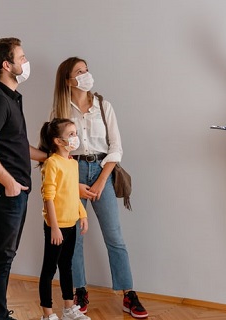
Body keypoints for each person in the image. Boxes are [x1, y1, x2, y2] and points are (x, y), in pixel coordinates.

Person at [49, 57, 148, 319]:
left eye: (86, 70)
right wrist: (73, 184)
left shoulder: (103, 106)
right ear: (68, 80)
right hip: (73, 173)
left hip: (102, 170)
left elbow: (116, 148)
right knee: (75, 239)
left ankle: (128, 293)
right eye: (79, 72)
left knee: (114, 236)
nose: (86, 75)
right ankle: (80, 290)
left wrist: (102, 179)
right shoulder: (60, 110)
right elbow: (56, 152)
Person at [0, 37, 48, 320]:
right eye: (22, 57)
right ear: (7, 65)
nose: (26, 62)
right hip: (2, 193)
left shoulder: (10, 98)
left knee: (5, 256)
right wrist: (9, 183)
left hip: (14, 192)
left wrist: (49, 156)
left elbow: (15, 145)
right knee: (0, 258)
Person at [36, 119, 91, 320]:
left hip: (71, 224)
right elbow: (48, 197)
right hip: (56, 227)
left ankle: (69, 309)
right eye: (71, 134)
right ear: (58, 141)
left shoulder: (73, 163)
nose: (75, 138)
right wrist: (54, 227)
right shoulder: (52, 163)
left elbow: (72, 194)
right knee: (49, 269)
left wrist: (82, 215)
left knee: (66, 266)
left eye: (75, 133)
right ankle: (47, 314)